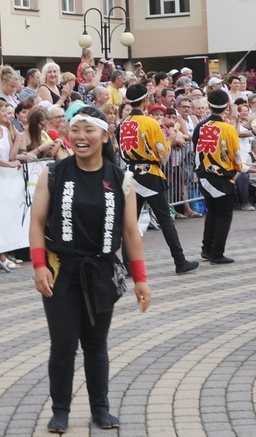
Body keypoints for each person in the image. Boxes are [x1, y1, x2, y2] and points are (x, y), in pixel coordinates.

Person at [29, 105, 152, 433]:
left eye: (89, 130)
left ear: (104, 134)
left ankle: (100, 407)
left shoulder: (121, 179)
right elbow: (37, 222)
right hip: (61, 270)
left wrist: (140, 279)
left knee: (96, 344)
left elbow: (129, 232)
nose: (81, 137)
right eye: (75, 130)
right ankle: (60, 409)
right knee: (64, 343)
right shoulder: (53, 174)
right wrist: (39, 265)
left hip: (101, 271)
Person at [119, 84, 199, 274]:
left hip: (130, 173)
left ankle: (127, 264)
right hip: (150, 174)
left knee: (131, 222)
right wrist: (170, 139)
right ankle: (180, 261)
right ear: (146, 100)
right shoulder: (150, 123)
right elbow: (163, 154)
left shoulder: (123, 124)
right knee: (165, 220)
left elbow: (122, 152)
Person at [194, 89, 242, 264]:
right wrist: (239, 168)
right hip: (221, 177)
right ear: (227, 106)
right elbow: (236, 155)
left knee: (212, 213)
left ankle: (207, 249)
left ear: (209, 105)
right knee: (223, 215)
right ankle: (217, 253)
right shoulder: (228, 129)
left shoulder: (200, 126)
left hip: (203, 175)